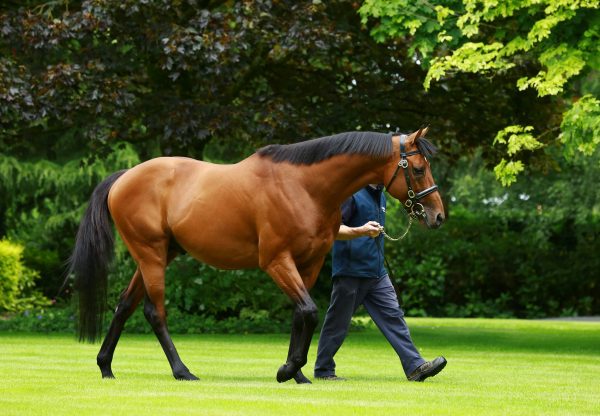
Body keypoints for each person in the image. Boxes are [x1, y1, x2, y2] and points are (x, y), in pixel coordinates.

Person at [314, 184, 447, 382]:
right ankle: (323, 370)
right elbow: (332, 229)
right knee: (338, 323)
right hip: (350, 271)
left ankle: (415, 367)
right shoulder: (351, 193)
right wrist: (361, 230)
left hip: (377, 273)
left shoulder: (381, 197)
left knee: (394, 317)